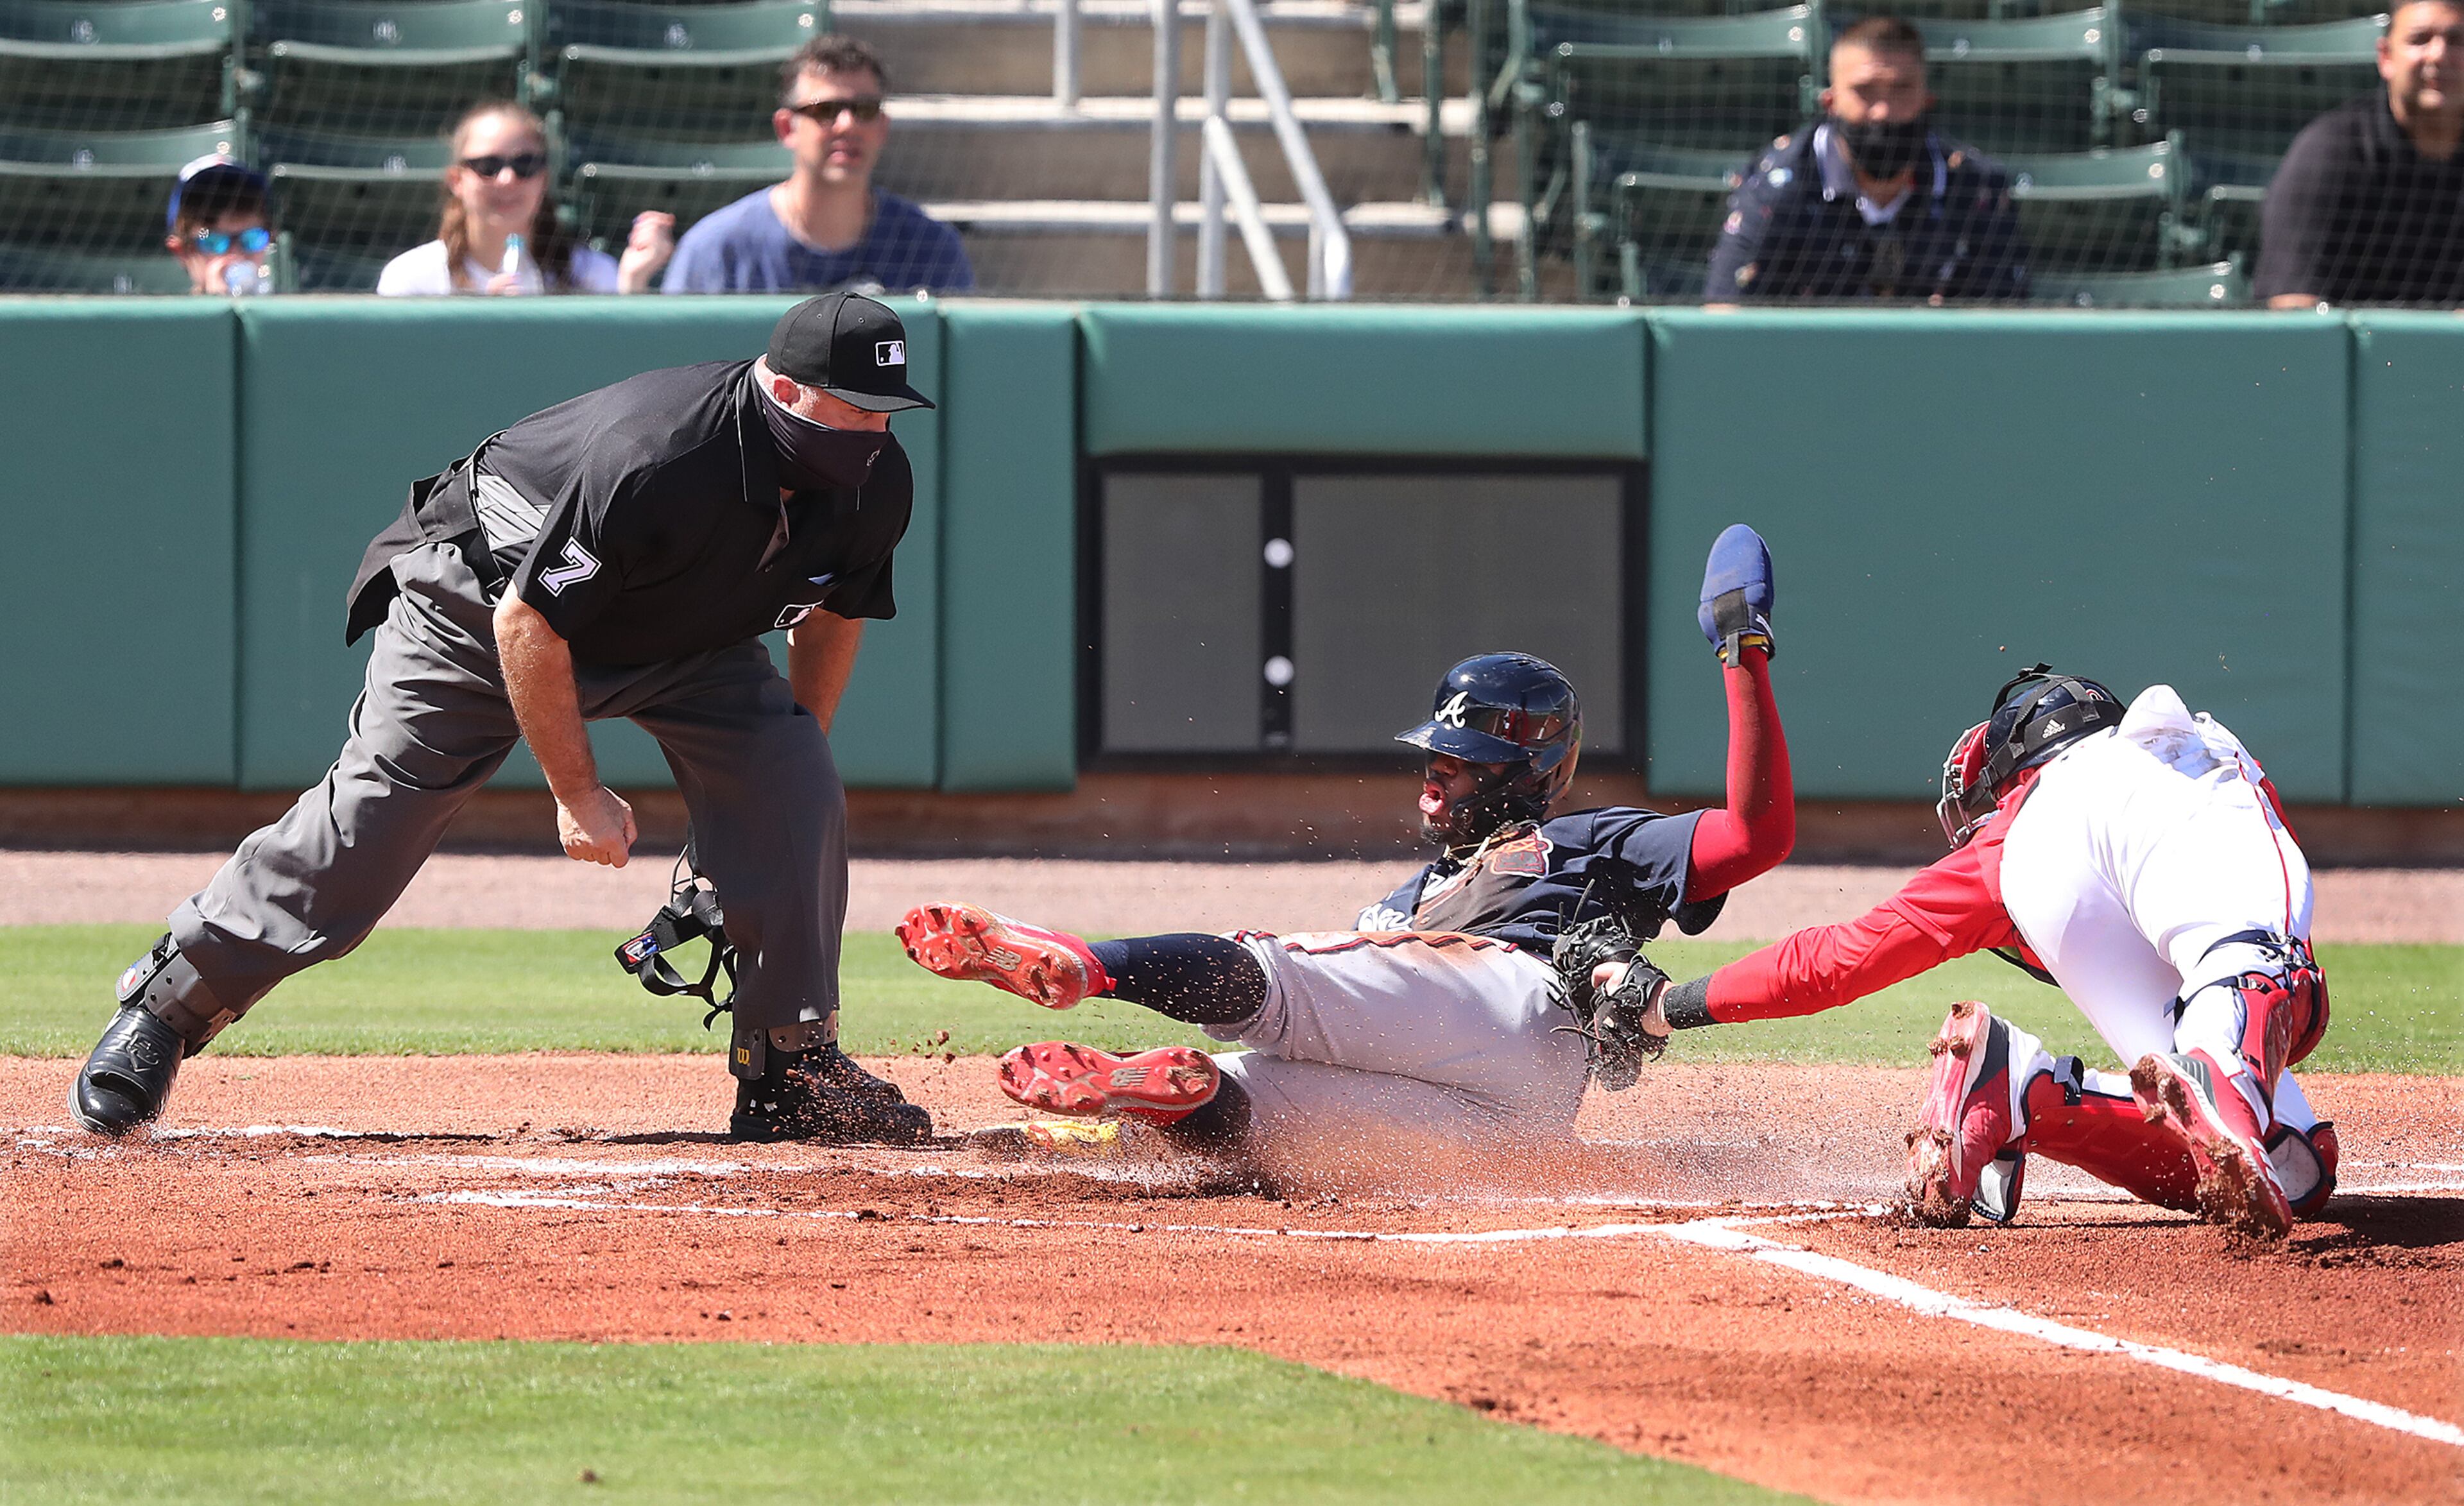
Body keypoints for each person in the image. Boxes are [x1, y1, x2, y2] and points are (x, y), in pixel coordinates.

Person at [71, 293, 935, 1147]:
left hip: (679, 632)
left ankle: (793, 1067)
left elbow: (836, 611)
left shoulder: (871, 479)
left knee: (794, 778)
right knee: (371, 826)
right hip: (483, 607)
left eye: (890, 411)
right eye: (858, 409)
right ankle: (171, 1002)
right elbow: (529, 624)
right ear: (785, 392)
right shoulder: (660, 453)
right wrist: (578, 791)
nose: (877, 431)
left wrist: (784, 773)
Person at [896, 527, 1796, 1181]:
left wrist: (1740, 654)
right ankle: (1136, 1106)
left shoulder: (1585, 837)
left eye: (1460, 761)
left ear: (1529, 768)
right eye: (1436, 756)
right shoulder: (1404, 902)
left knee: (1275, 978)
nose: (1435, 776)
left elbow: (1759, 835)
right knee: (1253, 1115)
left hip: (1511, 996)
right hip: (1517, 1130)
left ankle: (1078, 962)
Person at [1621, 666, 2336, 1240]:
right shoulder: (2164, 749)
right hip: (2156, 781)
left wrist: (1666, 1007)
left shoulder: (2008, 843)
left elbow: (1833, 961)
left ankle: (2024, 1092)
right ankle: (2223, 1049)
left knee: (2293, 1165)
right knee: (2265, 979)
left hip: (2044, 866)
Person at [1706, 17, 2029, 303]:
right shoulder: (1775, 185)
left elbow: (2005, 325)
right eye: (1865, 91)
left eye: (1901, 89)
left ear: (1927, 98)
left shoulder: (1976, 187)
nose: (1883, 112)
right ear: (1830, 102)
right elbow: (1725, 317)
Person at [662, 37, 973, 295]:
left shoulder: (931, 250)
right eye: (825, 110)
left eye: (864, 109)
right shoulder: (717, 251)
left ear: (882, 128)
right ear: (787, 128)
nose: (847, 125)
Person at [2257, 1, 2464, 308]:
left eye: (2457, 40)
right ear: (2386, 58)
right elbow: (2293, 312)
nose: (2439, 54)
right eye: (2419, 40)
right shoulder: (2329, 153)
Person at [377, 101, 674, 296]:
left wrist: (633, 284)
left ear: (543, 179)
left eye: (525, 165)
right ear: (457, 180)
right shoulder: (411, 279)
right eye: (488, 167)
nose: (508, 179)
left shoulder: (593, 275)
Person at [166, 155, 275, 296]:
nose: (236, 255)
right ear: (181, 251)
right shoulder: (172, 318)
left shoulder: (284, 314)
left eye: (252, 239)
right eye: (213, 242)